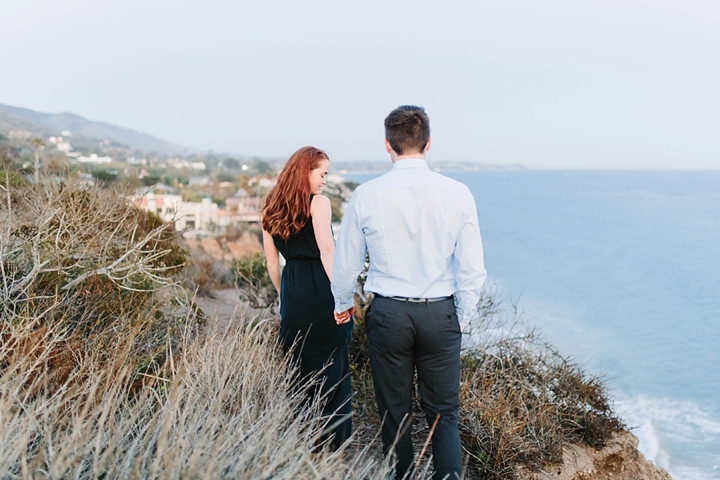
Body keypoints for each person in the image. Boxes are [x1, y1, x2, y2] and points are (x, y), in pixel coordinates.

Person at [331, 106, 486, 479]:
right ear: (428, 143)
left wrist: (342, 303)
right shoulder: (459, 193)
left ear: (388, 145)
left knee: (394, 411)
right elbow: (472, 268)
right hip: (440, 314)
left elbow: (346, 263)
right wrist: (461, 317)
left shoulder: (367, 195)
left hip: (390, 315)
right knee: (444, 413)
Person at [262, 146, 352, 450]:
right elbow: (328, 252)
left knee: (298, 365)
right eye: (322, 173)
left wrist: (284, 296)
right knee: (331, 361)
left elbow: (272, 264)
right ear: (305, 171)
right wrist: (343, 296)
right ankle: (333, 443)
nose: (325, 180)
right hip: (321, 290)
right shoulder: (319, 204)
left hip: (292, 290)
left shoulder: (270, 207)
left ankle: (306, 438)